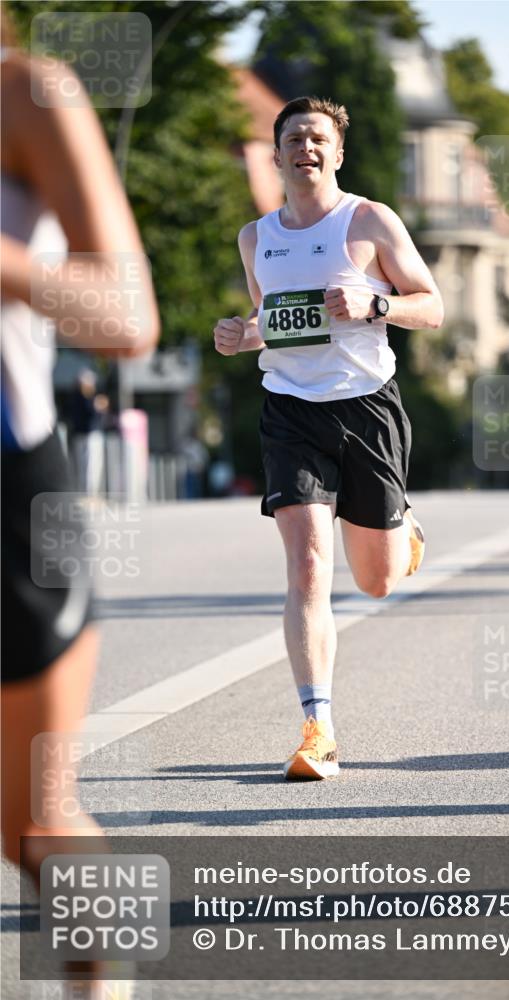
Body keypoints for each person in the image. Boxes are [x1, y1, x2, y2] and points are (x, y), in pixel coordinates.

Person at [214, 96, 443, 780]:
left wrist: (377, 303)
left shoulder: (368, 220)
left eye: (317, 139)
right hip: (290, 412)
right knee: (309, 565)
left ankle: (400, 530)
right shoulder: (256, 237)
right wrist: (240, 333)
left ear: (335, 154)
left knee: (373, 581)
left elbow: (429, 306)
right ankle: (317, 727)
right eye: (293, 138)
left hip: (366, 407)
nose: (305, 148)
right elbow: (268, 320)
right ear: (277, 152)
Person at [1, 12, 159, 995]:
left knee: (34, 827)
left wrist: (10, 268)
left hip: (8, 496)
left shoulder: (29, 93)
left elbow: (128, 315)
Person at [70, 367, 109, 496]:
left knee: (88, 465)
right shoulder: (83, 398)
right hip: (88, 434)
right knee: (89, 466)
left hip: (85, 434)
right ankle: (88, 494)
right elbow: (92, 411)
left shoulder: (80, 397)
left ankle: (88, 493)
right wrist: (98, 405)